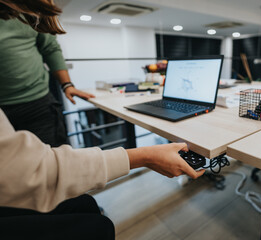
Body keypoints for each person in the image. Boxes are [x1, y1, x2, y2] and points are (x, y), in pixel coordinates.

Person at [0, 1, 205, 239]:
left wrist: (67, 84)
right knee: (98, 226)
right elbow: (35, 174)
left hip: (36, 101)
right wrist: (145, 156)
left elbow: (50, 47)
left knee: (83, 204)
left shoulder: (26, 18)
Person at [0, 0, 95, 147]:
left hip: (38, 104)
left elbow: (50, 48)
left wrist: (67, 85)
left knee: (54, 156)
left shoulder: (29, 14)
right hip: (3, 109)